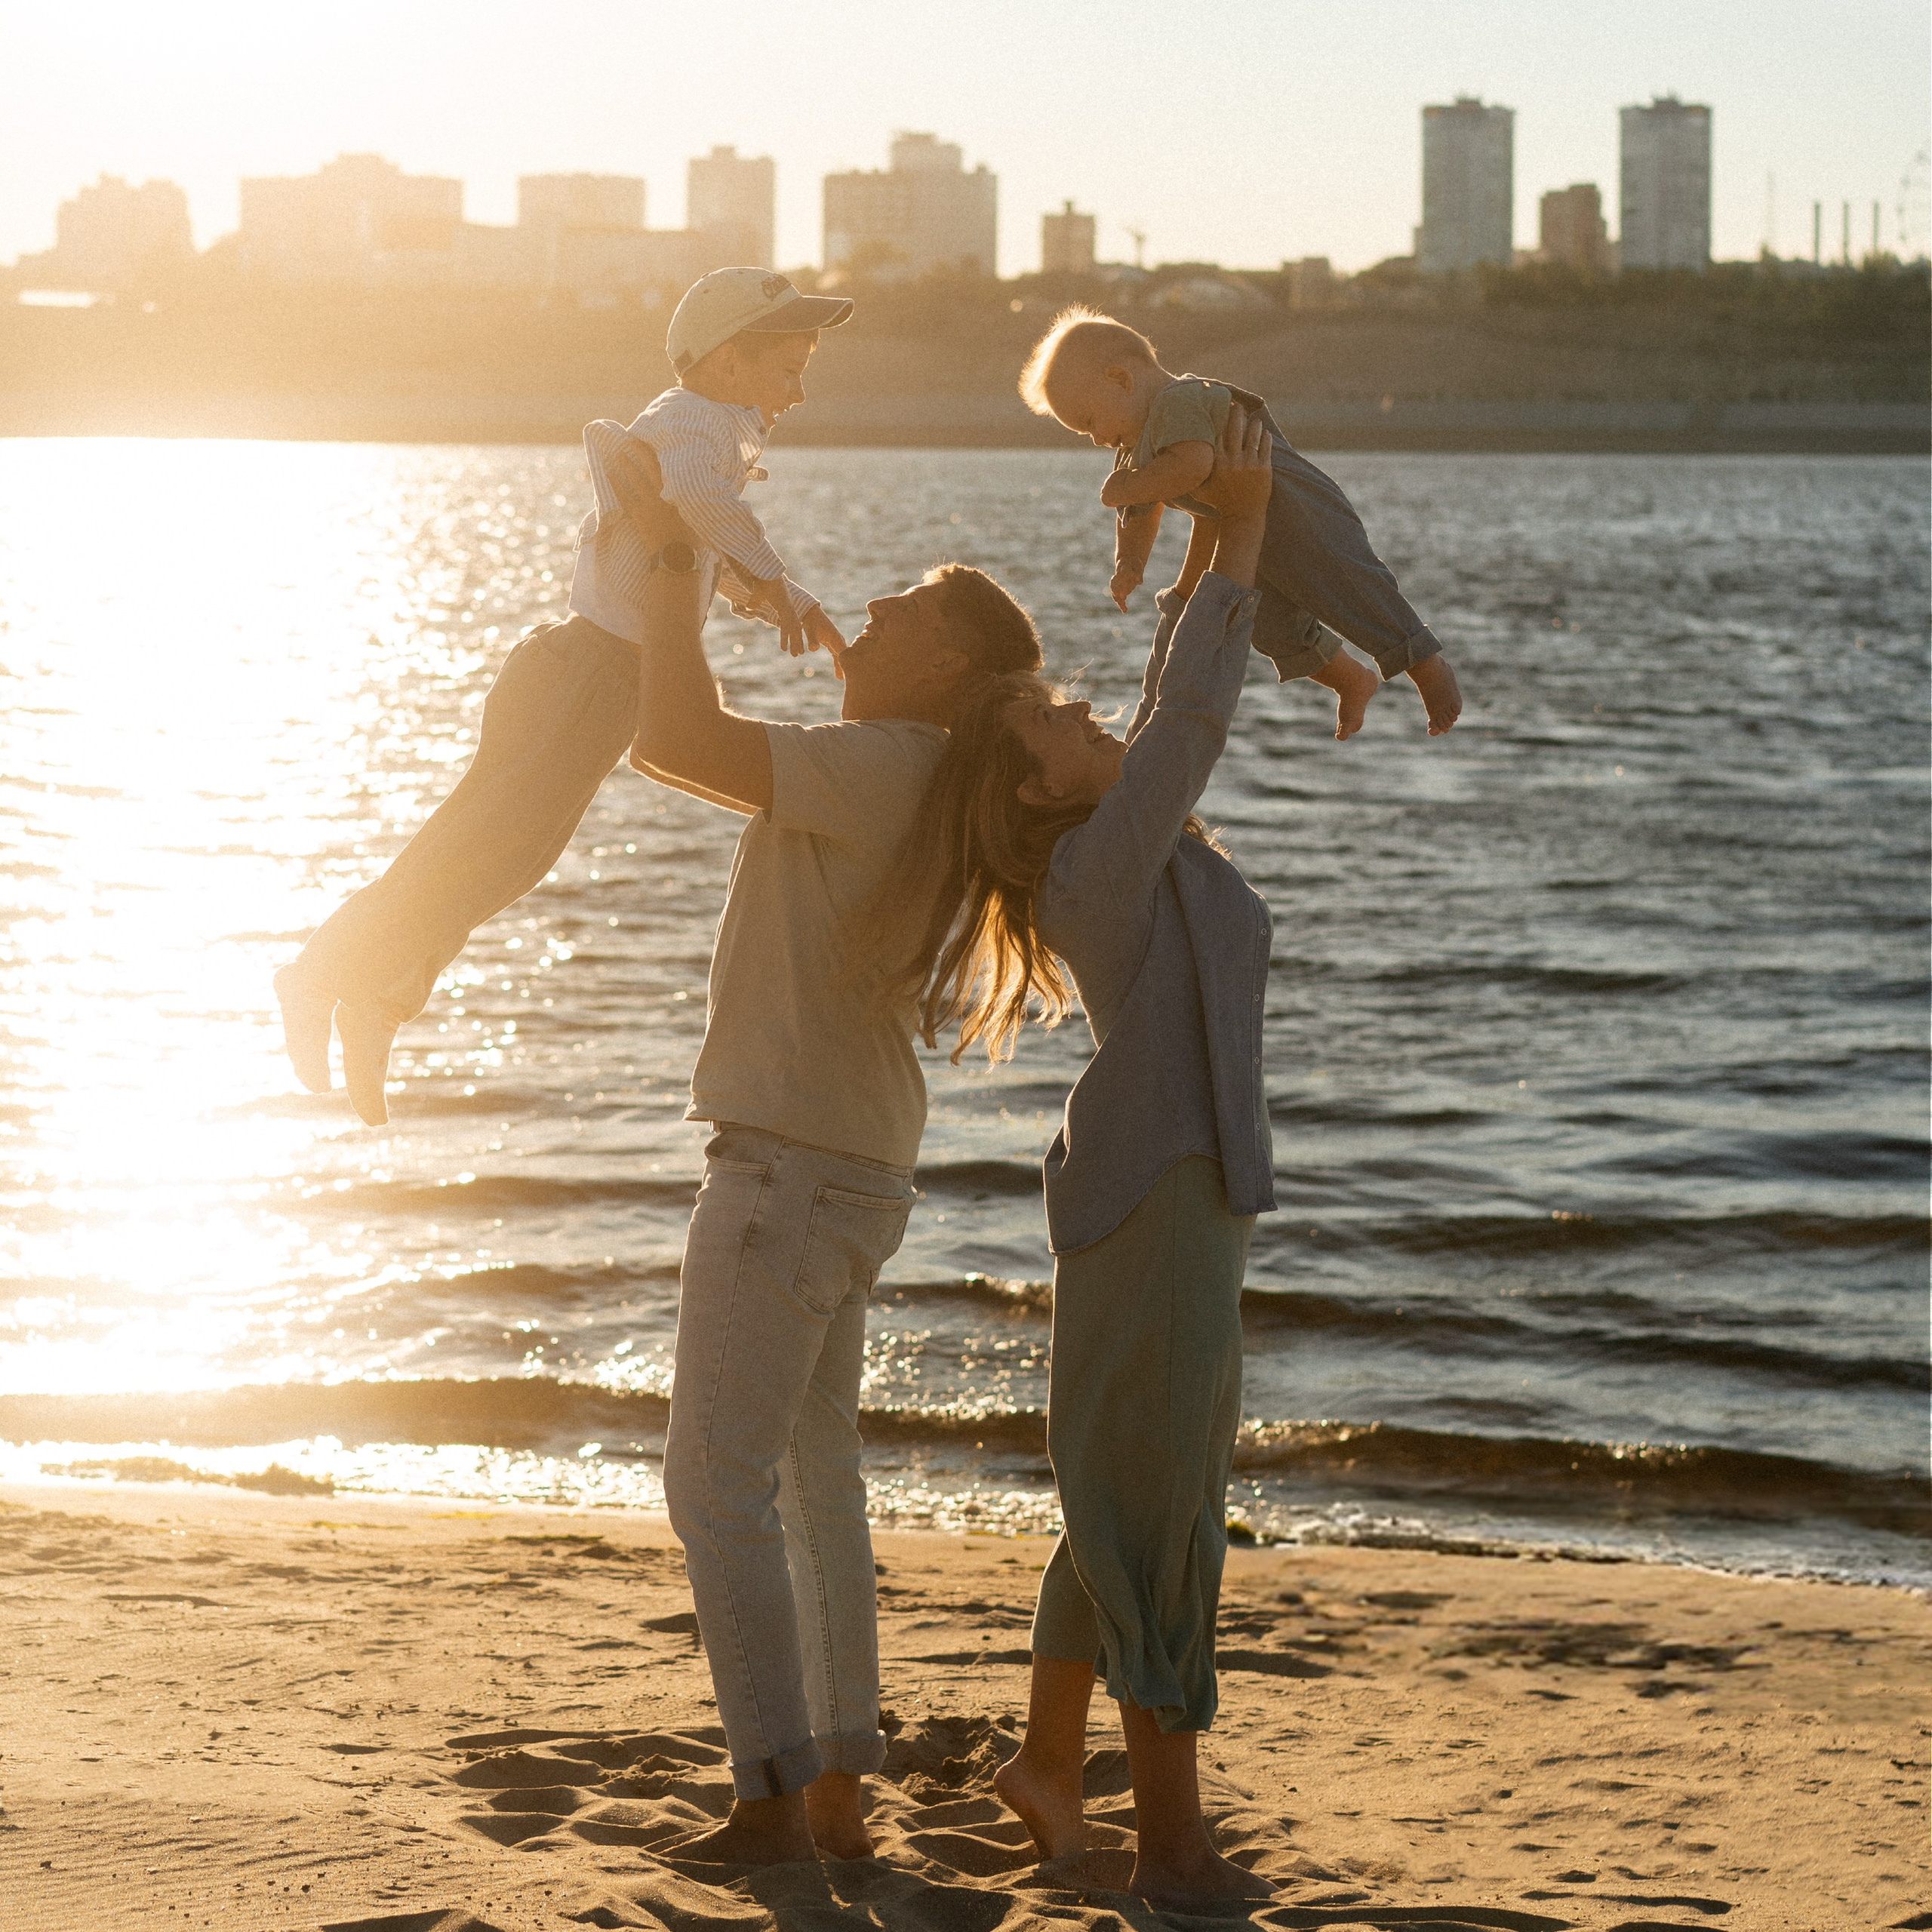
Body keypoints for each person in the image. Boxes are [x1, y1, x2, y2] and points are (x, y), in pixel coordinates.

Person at [610, 441, 1043, 1864]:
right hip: (852, 1168)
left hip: (788, 1174)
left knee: (715, 1487)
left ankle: (770, 1798)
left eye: (899, 610)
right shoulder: (923, 774)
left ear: (948, 667)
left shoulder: (883, 765)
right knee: (814, 1479)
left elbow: (673, 737)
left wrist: (668, 568)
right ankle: (837, 1782)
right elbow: (693, 739)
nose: (869, 615)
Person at [886, 407, 1281, 1909]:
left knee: (1134, 1495)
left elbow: (1167, 705)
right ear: (1040, 792)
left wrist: (1203, 532)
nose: (1082, 713)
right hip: (1154, 1199)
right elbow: (1185, 718)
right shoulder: (1093, 862)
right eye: (1055, 720)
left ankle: (1050, 1765)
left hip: (1186, 1193)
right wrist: (1238, 537)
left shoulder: (1133, 840)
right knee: (1158, 1514)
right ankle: (1169, 1838)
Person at [272, 267, 852, 1125]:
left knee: (508, 861)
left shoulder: (711, 427)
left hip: (599, 680)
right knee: (473, 847)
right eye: (789, 369)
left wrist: (789, 602)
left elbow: (700, 543)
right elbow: (702, 510)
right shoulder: (699, 424)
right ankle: (324, 971)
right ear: (729, 361)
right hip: (585, 670)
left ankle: (378, 997)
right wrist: (773, 579)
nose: (799, 392)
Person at [1019, 305, 1463, 742]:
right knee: (1268, 629)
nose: (1097, 440)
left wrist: (1123, 488)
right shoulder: (1136, 446)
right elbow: (1139, 512)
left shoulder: (1180, 400)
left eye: (1090, 423)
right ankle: (1350, 679)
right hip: (1248, 539)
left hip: (1300, 514)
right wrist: (1129, 562)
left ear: (1121, 379)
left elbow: (1191, 464)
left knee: (1351, 587)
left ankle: (1425, 664)